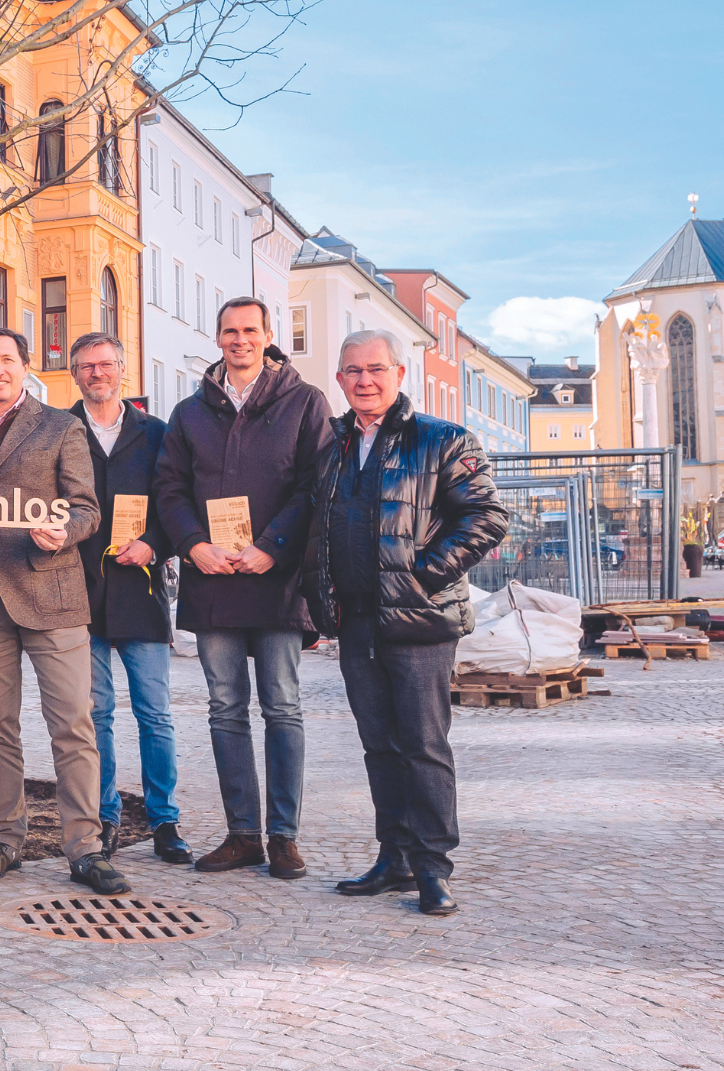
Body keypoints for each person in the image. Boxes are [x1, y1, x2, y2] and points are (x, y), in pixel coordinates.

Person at [305, 331, 507, 917]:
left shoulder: (442, 440)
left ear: (398, 374)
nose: (364, 380)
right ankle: (393, 858)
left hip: (419, 621)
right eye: (352, 371)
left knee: (423, 745)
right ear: (339, 379)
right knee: (378, 747)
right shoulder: (335, 448)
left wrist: (422, 575)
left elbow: (487, 516)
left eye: (375, 369)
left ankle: (433, 868)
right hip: (357, 621)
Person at [152, 297, 332, 880]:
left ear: (268, 335)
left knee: (282, 706)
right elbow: (169, 489)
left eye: (250, 330)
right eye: (230, 331)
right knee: (225, 709)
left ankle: (283, 836)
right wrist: (193, 545)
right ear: (218, 338)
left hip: (277, 583)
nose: (239, 340)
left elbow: (315, 487)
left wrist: (271, 548)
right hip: (213, 583)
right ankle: (241, 834)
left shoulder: (304, 403)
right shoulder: (190, 411)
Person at [0, 329, 125, 895]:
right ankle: (4, 838)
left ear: (25, 366)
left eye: (7, 360)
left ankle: (86, 847)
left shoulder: (60, 426)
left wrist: (61, 533)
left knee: (73, 724)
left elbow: (87, 509)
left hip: (50, 590)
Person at [67, 331, 187, 866]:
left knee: (155, 712)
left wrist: (155, 544)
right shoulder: (60, 430)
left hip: (141, 589)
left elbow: (175, 501)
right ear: (75, 374)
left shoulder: (156, 433)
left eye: (105, 364)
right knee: (95, 715)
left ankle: (164, 819)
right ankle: (107, 815)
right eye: (87, 366)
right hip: (80, 591)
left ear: (123, 370)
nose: (97, 373)